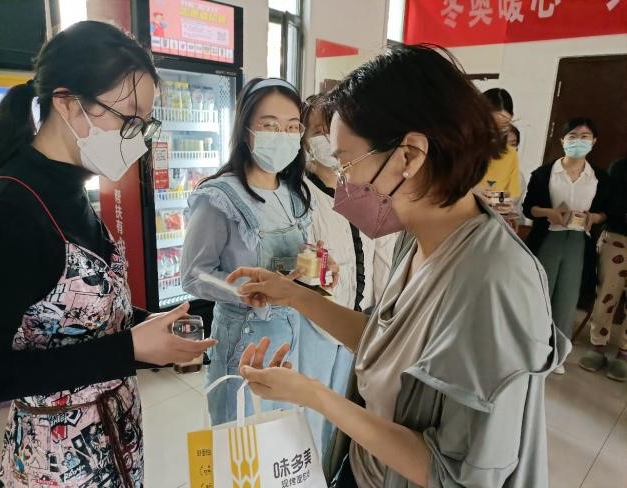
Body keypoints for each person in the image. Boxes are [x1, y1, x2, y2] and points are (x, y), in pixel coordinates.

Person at [228, 45, 569, 488]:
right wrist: (294, 295)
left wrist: (314, 396)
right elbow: (385, 340)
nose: (342, 183)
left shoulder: (495, 283)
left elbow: (453, 474)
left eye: (346, 163)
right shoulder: (419, 235)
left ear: (409, 156)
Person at [0, 21, 216, 486]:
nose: (138, 137)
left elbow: (81, 316)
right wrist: (129, 349)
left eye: (144, 124)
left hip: (115, 435)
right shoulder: (8, 211)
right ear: (68, 103)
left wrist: (158, 323)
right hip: (57, 460)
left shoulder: (73, 188)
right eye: (128, 119)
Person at [180, 77, 312, 426]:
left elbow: (297, 264)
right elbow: (193, 273)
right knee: (238, 433)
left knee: (278, 430)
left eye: (292, 127)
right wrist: (243, 291)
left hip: (289, 335)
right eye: (269, 125)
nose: (282, 136)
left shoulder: (294, 194)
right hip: (243, 337)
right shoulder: (220, 197)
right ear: (245, 131)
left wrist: (317, 272)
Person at [300, 95, 396, 455]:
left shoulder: (361, 191)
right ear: (304, 138)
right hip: (318, 326)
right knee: (312, 414)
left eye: (332, 129)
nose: (326, 139)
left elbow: (381, 255)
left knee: (345, 413)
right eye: (317, 130)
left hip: (361, 321)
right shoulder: (301, 196)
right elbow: (299, 267)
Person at [523, 117, 613, 374]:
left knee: (567, 299)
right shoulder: (545, 173)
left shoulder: (599, 178)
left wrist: (593, 217)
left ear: (594, 141)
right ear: (562, 140)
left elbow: (606, 212)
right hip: (548, 238)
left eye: (585, 137)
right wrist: (548, 213)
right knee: (540, 294)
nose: (578, 141)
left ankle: (557, 354)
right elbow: (529, 208)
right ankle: (531, 349)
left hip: (578, 242)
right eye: (572, 136)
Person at [578, 156, 627, 382]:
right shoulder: (620, 166)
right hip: (617, 236)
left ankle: (624, 353)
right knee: (607, 293)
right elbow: (612, 203)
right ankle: (597, 345)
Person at [478, 88, 521, 198]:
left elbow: (511, 198)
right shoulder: (460, 148)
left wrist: (491, 198)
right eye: (492, 126)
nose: (497, 133)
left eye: (503, 126)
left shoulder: (510, 154)